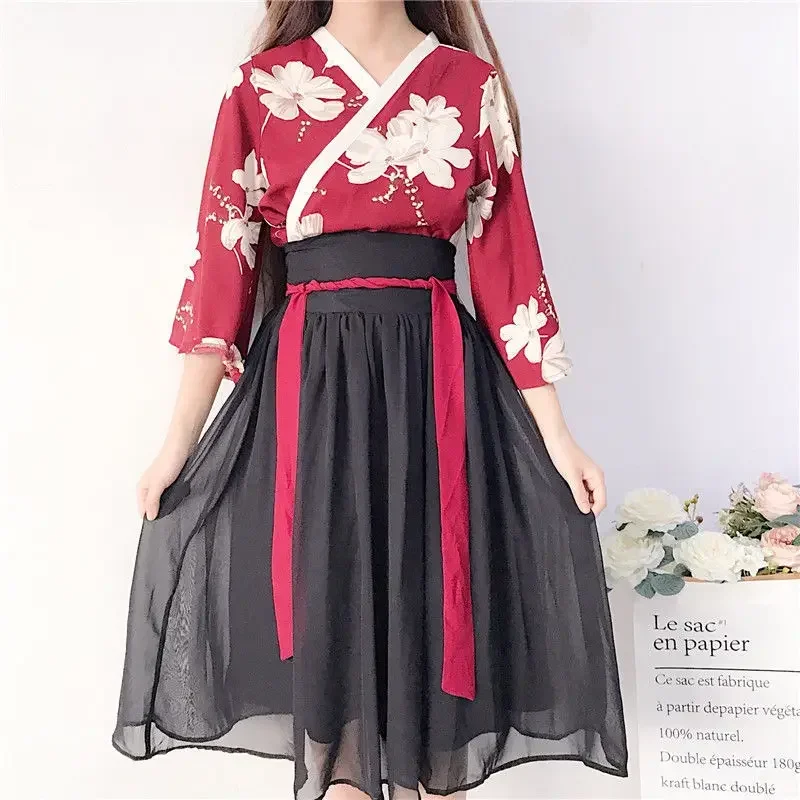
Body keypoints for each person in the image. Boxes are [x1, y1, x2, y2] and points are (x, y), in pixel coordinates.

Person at [111, 1, 629, 798]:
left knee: (434, 636)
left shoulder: (468, 85)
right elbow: (222, 269)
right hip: (313, 393)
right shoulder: (261, 88)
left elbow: (509, 268)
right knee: (332, 644)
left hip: (438, 392)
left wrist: (558, 438)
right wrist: (177, 444)